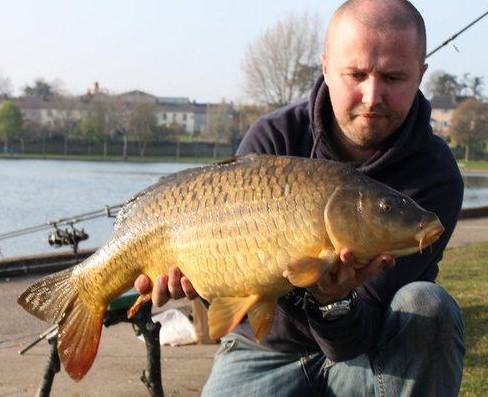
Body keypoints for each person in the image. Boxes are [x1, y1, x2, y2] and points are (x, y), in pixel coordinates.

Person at [135, 0, 465, 395]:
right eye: (356, 74)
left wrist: (333, 300)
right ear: (325, 66)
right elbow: (226, 291)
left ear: (420, 75)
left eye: (393, 78)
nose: (373, 95)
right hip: (263, 347)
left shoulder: (435, 174)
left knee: (427, 303)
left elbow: (352, 339)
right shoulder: (273, 140)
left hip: (373, 348)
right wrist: (201, 283)